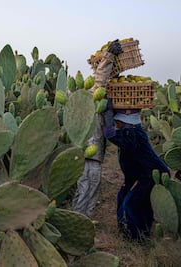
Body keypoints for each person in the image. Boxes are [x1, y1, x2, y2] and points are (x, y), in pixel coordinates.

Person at [102, 101, 170, 242]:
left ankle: (137, 238)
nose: (117, 125)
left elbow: (111, 135)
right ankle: (129, 231)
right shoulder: (132, 130)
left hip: (152, 175)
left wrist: (108, 113)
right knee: (124, 197)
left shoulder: (131, 133)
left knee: (132, 204)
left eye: (118, 122)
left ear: (123, 122)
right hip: (140, 174)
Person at [72, 40, 123, 219]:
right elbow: (101, 79)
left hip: (95, 153)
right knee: (86, 186)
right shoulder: (92, 95)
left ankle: (85, 222)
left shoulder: (103, 101)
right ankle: (77, 221)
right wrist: (109, 56)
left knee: (93, 188)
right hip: (88, 152)